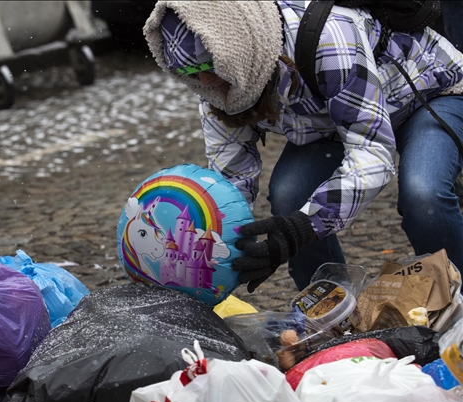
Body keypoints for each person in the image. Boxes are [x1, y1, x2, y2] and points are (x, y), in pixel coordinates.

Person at [143, 0, 463, 292]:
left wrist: (303, 228)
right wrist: (218, 252)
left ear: (236, 47)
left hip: (426, 96)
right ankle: (329, 309)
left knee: (423, 192)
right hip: (334, 122)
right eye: (191, 71)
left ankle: (456, 295)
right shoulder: (216, 86)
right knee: (289, 195)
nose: (207, 81)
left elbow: (373, 154)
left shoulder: (328, 39)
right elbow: (232, 181)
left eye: (211, 65)